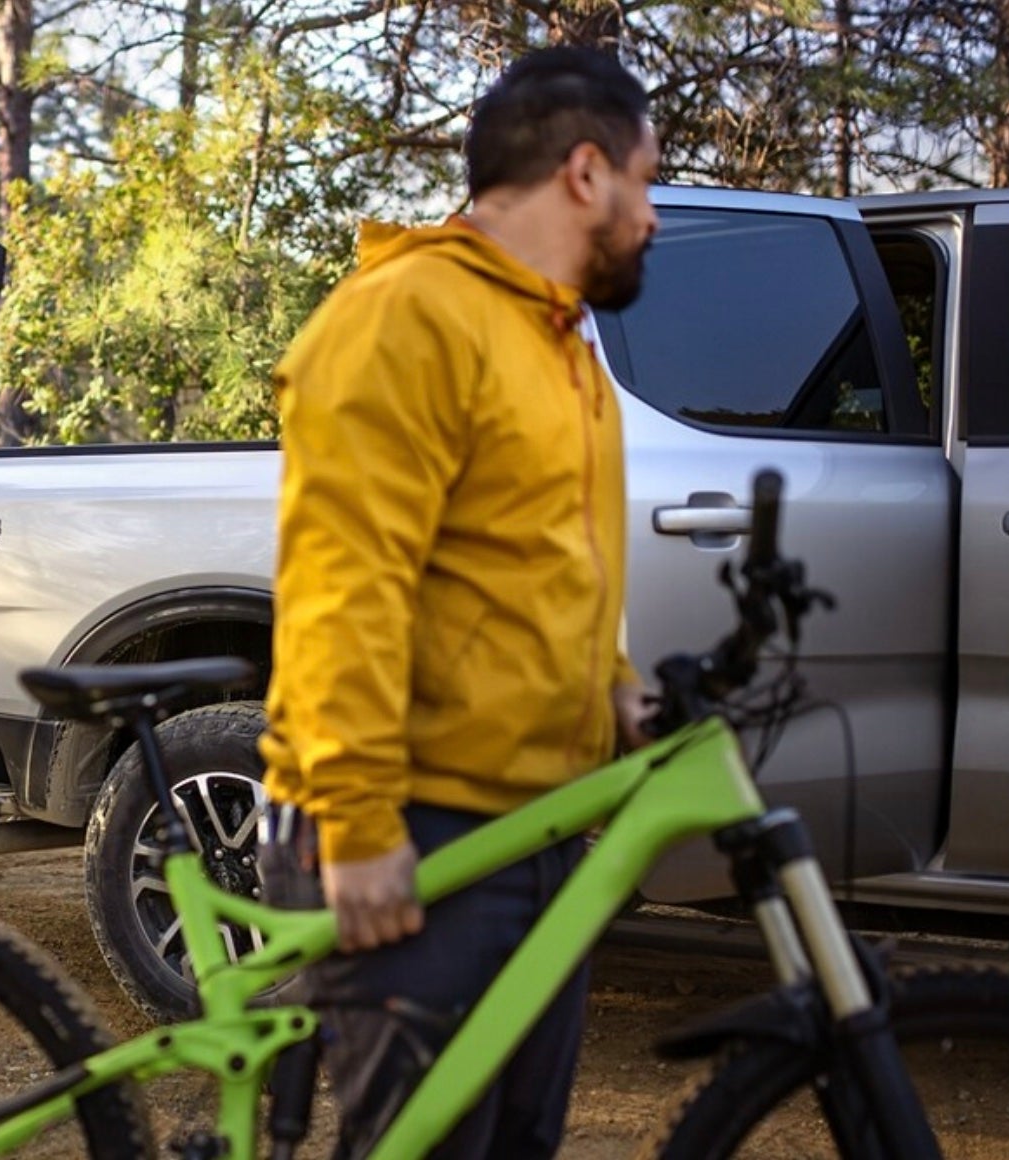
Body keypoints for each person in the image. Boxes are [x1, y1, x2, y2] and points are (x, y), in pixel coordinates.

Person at [255, 45, 661, 1160]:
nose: (653, 216)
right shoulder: (407, 316)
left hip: (531, 824)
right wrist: (360, 817)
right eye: (647, 180)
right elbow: (346, 581)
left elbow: (537, 560)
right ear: (586, 172)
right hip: (414, 823)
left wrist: (616, 694)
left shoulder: (555, 339)